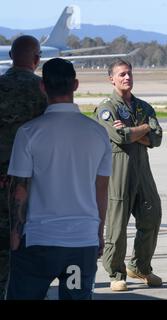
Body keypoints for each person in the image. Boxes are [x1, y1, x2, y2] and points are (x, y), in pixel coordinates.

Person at [6, 58, 111, 300]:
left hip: (39, 244)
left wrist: (14, 234)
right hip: (80, 246)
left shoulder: (29, 132)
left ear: (43, 87)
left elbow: (19, 190)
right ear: (75, 84)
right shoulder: (97, 133)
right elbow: (101, 189)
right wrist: (98, 232)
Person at [95, 58, 163, 291]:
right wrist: (144, 129)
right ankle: (116, 272)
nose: (127, 78)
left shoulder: (144, 107)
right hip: (118, 169)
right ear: (111, 79)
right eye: (122, 74)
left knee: (152, 215)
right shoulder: (107, 108)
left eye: (129, 74)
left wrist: (135, 130)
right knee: (117, 224)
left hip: (142, 168)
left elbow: (157, 138)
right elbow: (119, 137)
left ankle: (141, 266)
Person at [0, 35, 47, 298]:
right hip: (31, 187)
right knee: (30, 250)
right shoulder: (41, 89)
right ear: (36, 59)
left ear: (10, 57)